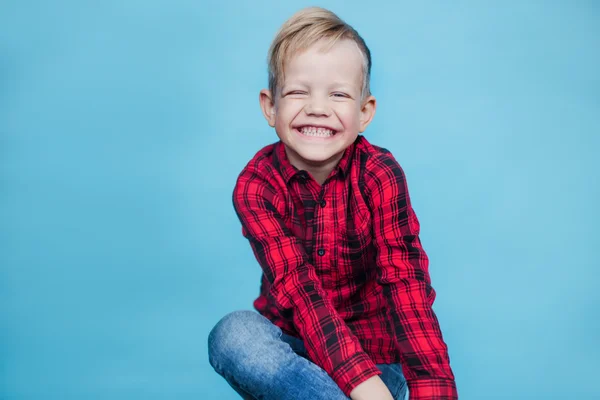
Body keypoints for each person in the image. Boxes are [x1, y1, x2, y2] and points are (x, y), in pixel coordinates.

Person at [208, 6, 457, 400]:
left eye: (337, 94)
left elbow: (406, 284)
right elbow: (299, 290)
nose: (318, 107)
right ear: (270, 107)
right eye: (297, 92)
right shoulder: (256, 187)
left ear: (364, 113)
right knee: (232, 334)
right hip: (295, 354)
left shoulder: (380, 175)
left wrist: (432, 391)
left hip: (376, 360)